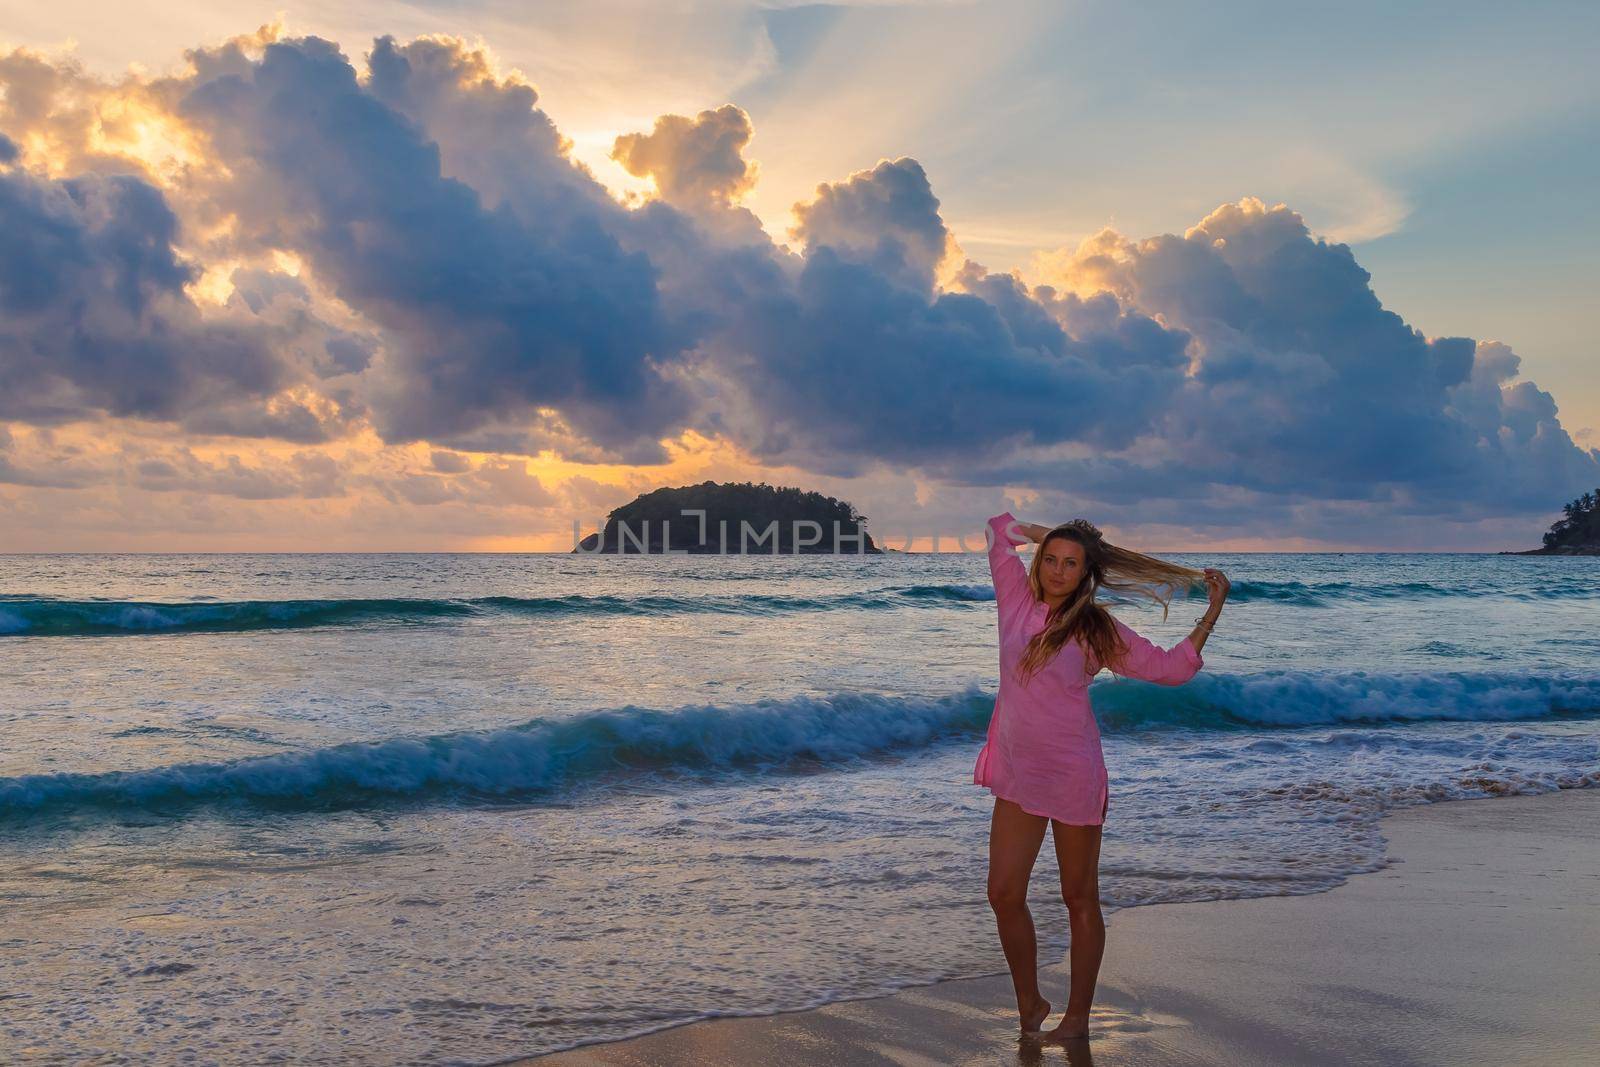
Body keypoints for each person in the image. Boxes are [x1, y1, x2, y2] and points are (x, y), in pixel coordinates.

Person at [974, 511, 1230, 1042]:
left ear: (1086, 572)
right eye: (1051, 561)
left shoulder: (1097, 628)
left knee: (1079, 897)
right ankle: (1028, 1000)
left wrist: (1213, 611)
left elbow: (1170, 669)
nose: (1058, 571)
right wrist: (1059, 537)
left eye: (1071, 564)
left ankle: (1076, 1020)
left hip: (1072, 773)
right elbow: (1000, 528)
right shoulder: (1015, 602)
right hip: (1019, 773)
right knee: (1002, 892)